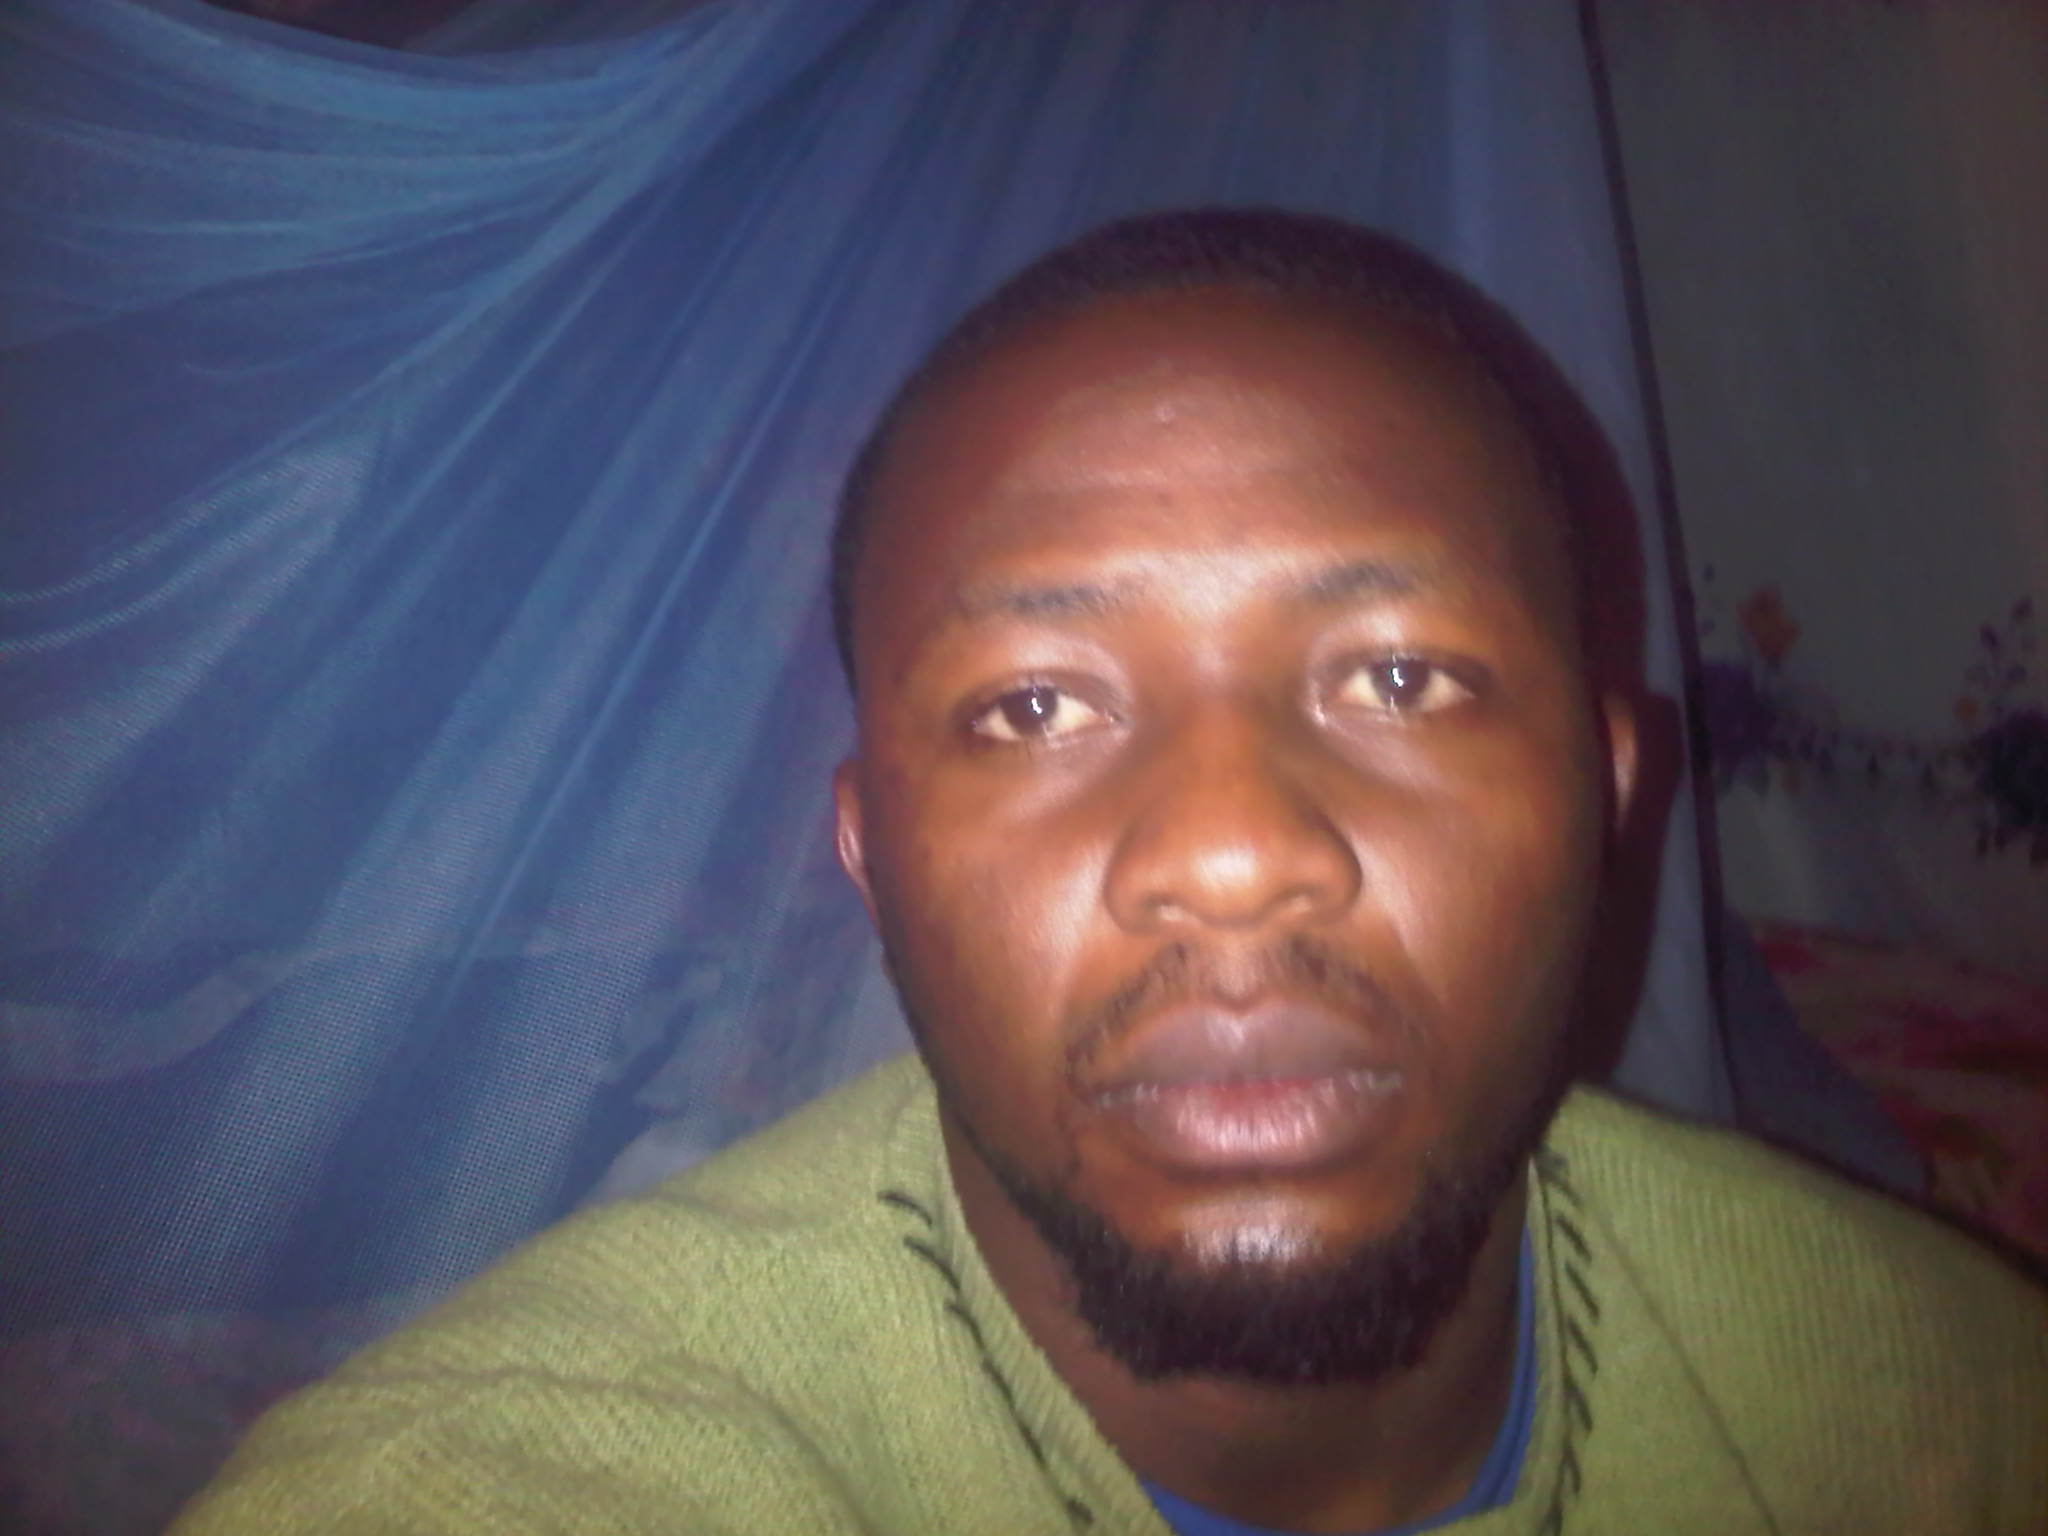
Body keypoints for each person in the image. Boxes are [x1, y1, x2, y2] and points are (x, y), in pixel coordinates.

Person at [170, 208, 2046, 1536]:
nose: (1230, 855)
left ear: (1614, 794)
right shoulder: (477, 1488)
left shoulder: (1946, 1403)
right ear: (871, 860)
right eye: (1033, 706)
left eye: (1402, 679)